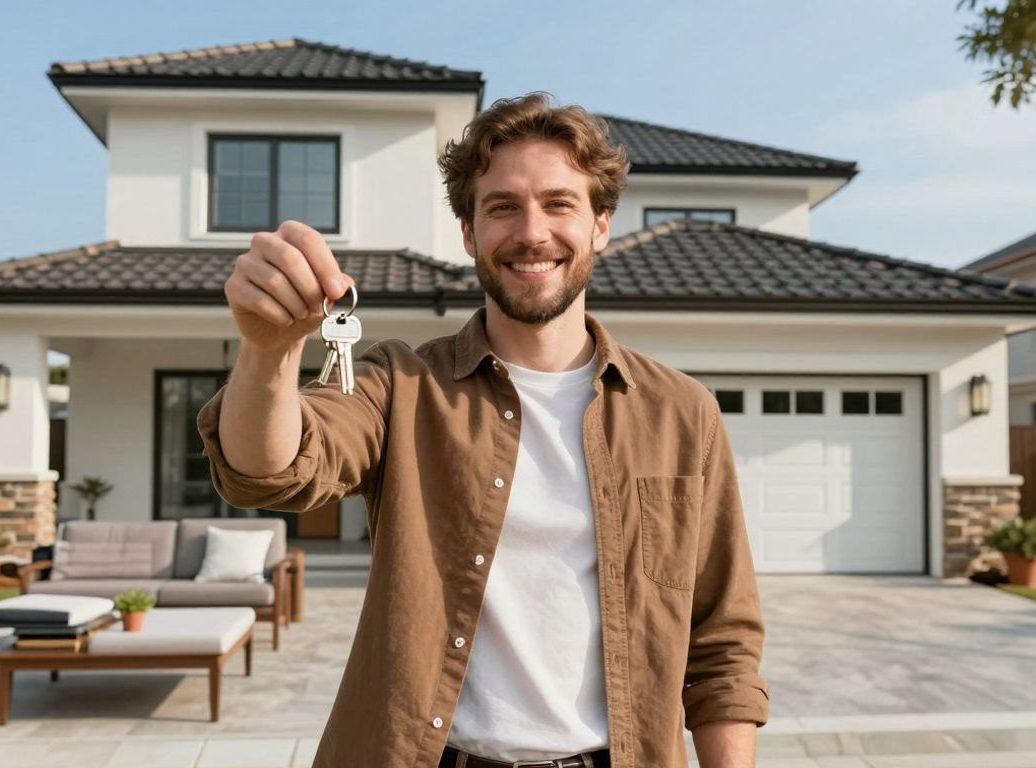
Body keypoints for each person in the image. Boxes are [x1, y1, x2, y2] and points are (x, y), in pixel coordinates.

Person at [197, 92, 768, 768]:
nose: (532, 232)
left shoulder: (681, 412)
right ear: (468, 233)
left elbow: (722, 642)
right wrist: (269, 350)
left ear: (601, 226)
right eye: (502, 207)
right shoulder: (397, 384)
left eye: (559, 204)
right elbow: (270, 470)